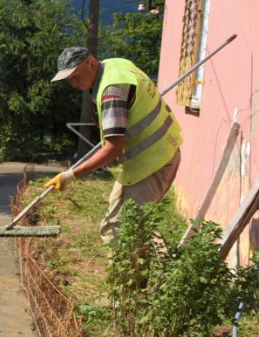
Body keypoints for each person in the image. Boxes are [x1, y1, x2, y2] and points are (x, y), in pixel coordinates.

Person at [46, 45, 183, 243]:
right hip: (149, 158)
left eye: (76, 76)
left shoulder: (112, 91)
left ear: (91, 63)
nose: (73, 84)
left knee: (123, 236)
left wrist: (71, 175)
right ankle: (132, 273)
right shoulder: (115, 64)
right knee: (121, 229)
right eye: (69, 80)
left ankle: (127, 274)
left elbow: (113, 147)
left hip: (152, 163)